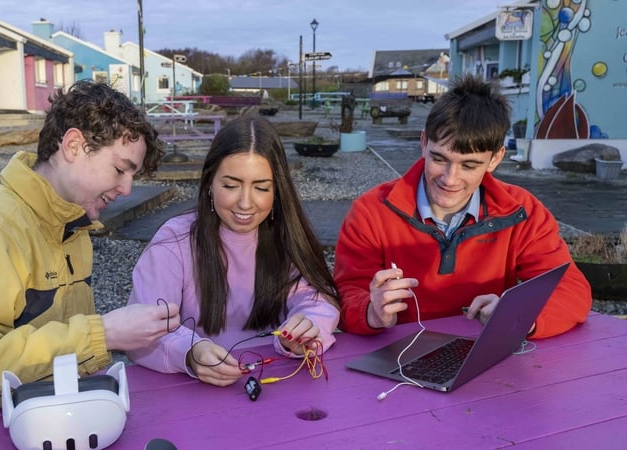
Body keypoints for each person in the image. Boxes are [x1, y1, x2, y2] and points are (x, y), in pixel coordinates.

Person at [0, 80, 180, 416]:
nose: (126, 188)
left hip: (37, 419)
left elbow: (56, 355)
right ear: (74, 145)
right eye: (120, 169)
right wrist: (103, 334)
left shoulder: (72, 224)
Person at [333, 74, 591, 339]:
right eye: (438, 158)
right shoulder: (370, 211)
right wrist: (371, 312)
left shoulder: (523, 211)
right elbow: (346, 293)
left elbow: (570, 288)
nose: (449, 178)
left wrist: (518, 316)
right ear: (423, 143)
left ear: (495, 159)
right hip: (394, 356)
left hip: (486, 353)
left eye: (469, 165)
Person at [126, 116, 340, 387]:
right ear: (209, 184)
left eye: (261, 187)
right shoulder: (173, 242)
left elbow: (318, 297)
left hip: (275, 386)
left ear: (278, 190)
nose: (245, 203)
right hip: (188, 393)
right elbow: (141, 332)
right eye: (230, 185)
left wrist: (307, 326)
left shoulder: (287, 236)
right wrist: (190, 353)